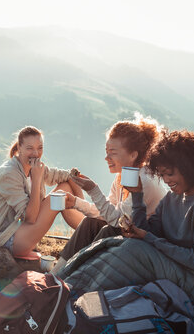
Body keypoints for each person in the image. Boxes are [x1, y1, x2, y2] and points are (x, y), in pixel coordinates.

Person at [66, 130, 194, 319]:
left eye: (170, 174)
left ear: (189, 167)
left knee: (134, 250)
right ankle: (67, 285)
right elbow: (149, 230)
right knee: (114, 237)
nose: (166, 180)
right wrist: (137, 197)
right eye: (163, 174)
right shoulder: (174, 196)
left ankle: (74, 302)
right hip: (185, 274)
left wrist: (148, 238)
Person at [51, 114, 167, 273]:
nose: (107, 158)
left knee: (108, 231)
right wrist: (76, 203)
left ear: (133, 155)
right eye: (106, 151)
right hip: (130, 234)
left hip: (150, 246)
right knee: (90, 223)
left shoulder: (145, 181)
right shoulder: (121, 177)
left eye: (113, 152)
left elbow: (116, 221)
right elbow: (106, 212)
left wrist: (93, 190)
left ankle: (76, 276)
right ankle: (55, 274)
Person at [0, 126, 85, 258]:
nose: (36, 154)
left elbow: (69, 176)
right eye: (29, 148)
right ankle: (89, 231)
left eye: (40, 148)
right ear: (19, 148)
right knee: (60, 194)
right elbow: (30, 218)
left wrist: (81, 203)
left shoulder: (35, 167)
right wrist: (37, 180)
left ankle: (89, 229)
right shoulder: (9, 173)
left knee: (65, 187)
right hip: (5, 239)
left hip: (22, 232)